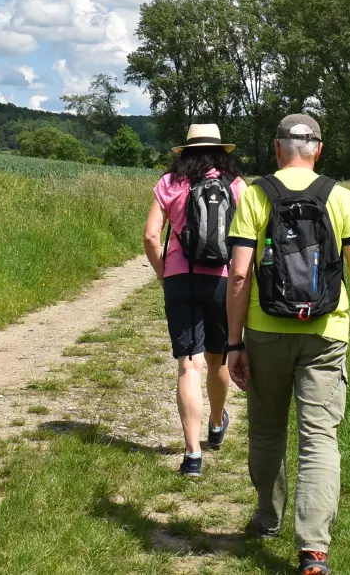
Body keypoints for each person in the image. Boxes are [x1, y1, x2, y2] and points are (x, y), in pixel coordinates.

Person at [225, 114, 350, 575]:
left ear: (277, 150)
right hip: (325, 332)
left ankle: (267, 517)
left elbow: (237, 275)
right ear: (318, 149)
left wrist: (234, 343)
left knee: (268, 430)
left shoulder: (256, 194)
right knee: (318, 437)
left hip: (265, 329)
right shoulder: (339, 196)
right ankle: (314, 551)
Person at [143, 124, 245, 477]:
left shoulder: (170, 183)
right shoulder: (235, 185)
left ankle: (192, 455)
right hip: (221, 281)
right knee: (219, 359)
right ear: (221, 152)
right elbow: (247, 241)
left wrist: (163, 272)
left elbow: (151, 236)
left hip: (180, 279)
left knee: (189, 364)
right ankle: (216, 424)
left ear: (184, 150)